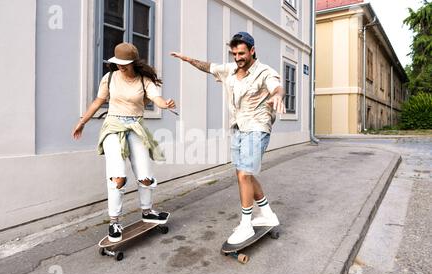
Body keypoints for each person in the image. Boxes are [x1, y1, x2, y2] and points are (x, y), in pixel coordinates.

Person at [171, 32, 286, 245]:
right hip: (239, 127)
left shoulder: (264, 72)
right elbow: (209, 67)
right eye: (234, 53)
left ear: (252, 50)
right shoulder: (230, 70)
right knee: (244, 174)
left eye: (241, 53)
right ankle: (267, 213)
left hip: (258, 126)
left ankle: (246, 225)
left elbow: (276, 86)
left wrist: (278, 96)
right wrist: (187, 59)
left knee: (244, 174)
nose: (238, 57)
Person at [73, 43, 176, 243]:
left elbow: (157, 98)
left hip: (136, 126)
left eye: (125, 64)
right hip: (113, 126)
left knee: (145, 176)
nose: (121, 66)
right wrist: (82, 122)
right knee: (117, 176)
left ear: (134, 62)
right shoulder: (109, 78)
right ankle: (114, 221)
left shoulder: (144, 80)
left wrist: (166, 104)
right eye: (118, 62)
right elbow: (97, 102)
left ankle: (147, 211)